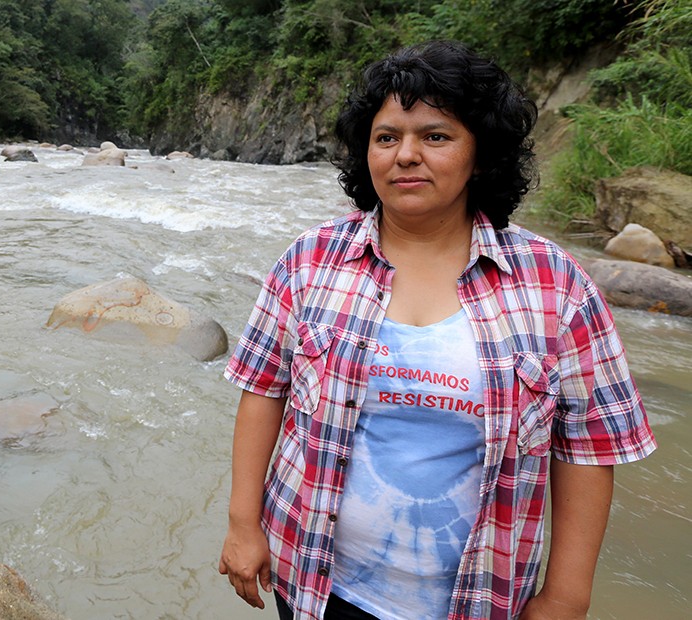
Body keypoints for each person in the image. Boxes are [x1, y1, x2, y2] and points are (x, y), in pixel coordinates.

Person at [218, 40, 657, 620]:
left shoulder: (557, 285)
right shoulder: (310, 261)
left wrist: (566, 596)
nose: (405, 155)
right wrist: (244, 524)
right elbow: (264, 391)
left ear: (481, 153)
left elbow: (588, 447)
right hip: (314, 581)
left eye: (435, 136)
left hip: (479, 597)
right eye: (386, 137)